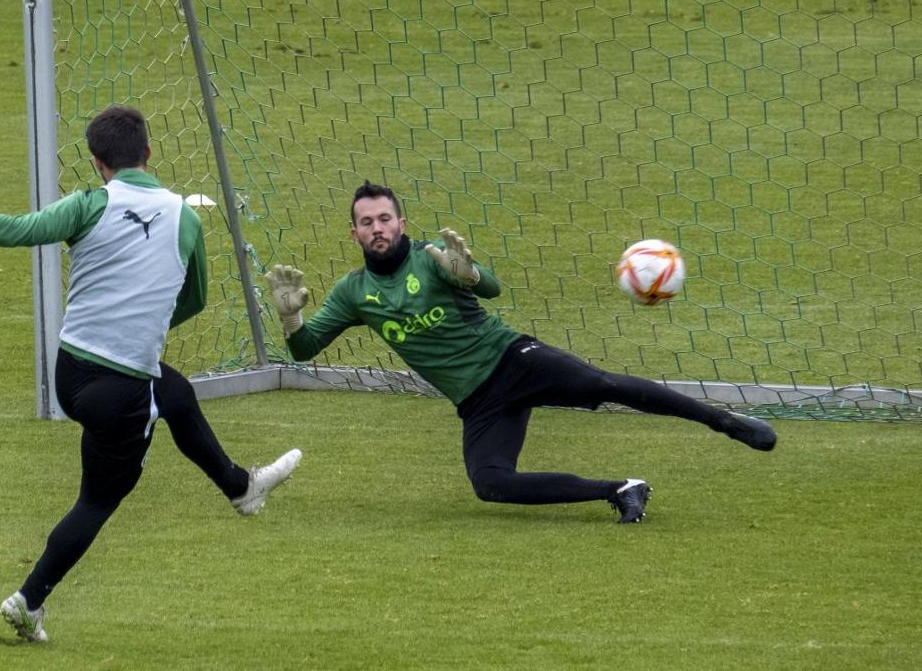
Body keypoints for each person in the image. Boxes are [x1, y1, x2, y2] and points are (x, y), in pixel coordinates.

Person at [0, 105, 301, 642]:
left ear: (97, 162)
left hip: (71, 374)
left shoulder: (88, 204)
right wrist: (148, 319)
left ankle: (239, 487)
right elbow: (194, 299)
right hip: (120, 390)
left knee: (173, 391)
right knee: (100, 498)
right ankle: (28, 600)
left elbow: (19, 230)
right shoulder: (188, 218)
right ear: (149, 152)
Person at [265, 180, 775, 525]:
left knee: (602, 386)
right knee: (490, 484)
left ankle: (724, 421)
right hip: (477, 403)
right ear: (353, 233)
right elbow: (305, 350)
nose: (377, 228)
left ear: (401, 222)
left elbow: (492, 291)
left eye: (385, 218)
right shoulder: (353, 292)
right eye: (366, 222)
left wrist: (470, 273)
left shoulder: (432, 257)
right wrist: (291, 317)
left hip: (514, 360)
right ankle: (620, 489)